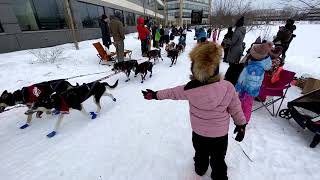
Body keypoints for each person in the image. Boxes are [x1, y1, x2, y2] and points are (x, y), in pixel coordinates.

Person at [142, 42, 247, 180]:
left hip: (199, 133)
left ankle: (200, 168)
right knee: (218, 157)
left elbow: (171, 93)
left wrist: (155, 95)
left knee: (201, 153)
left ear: (194, 69)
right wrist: (241, 125)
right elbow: (236, 108)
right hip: (220, 135)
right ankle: (219, 176)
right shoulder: (227, 87)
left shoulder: (189, 89)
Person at [235, 41, 273, 122]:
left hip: (247, 92)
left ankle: (244, 121)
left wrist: (243, 91)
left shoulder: (255, 68)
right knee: (243, 105)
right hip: (246, 90)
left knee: (246, 106)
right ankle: (240, 117)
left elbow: (252, 83)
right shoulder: (256, 64)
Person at [224, 16, 246, 86]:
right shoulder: (242, 30)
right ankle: (231, 78)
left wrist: (226, 41)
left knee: (232, 65)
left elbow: (233, 42)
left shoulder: (237, 31)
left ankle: (230, 79)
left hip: (234, 50)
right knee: (234, 65)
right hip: (239, 49)